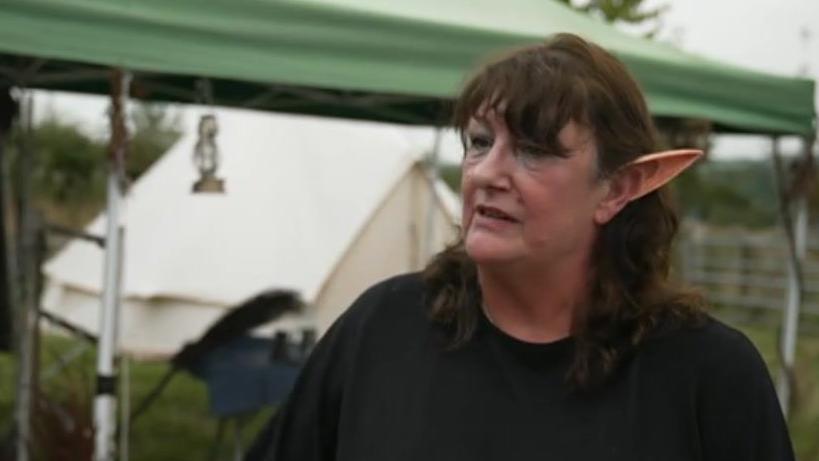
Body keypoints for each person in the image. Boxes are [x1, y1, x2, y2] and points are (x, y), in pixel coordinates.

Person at [247, 33, 794, 461]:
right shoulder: (382, 328)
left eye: (533, 150)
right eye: (480, 142)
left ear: (616, 189)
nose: (487, 172)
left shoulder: (707, 374)